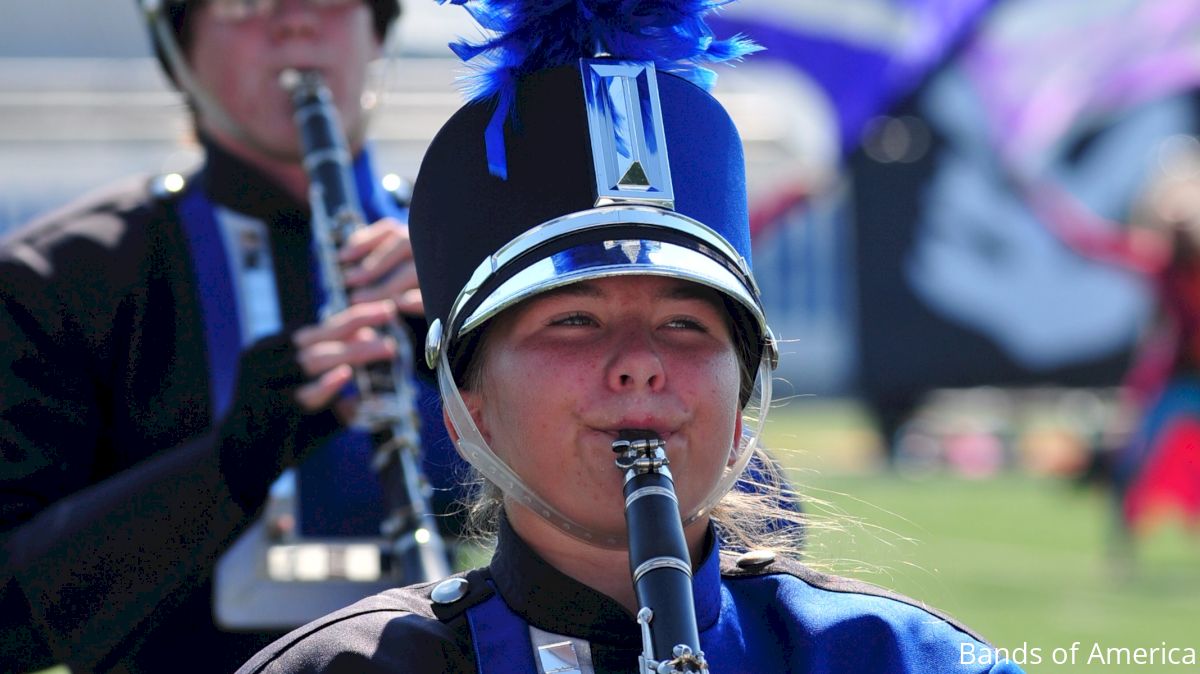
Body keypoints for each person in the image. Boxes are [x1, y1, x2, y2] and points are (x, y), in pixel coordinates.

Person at [235, 1, 1028, 672]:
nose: (642, 364)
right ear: (465, 408)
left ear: (746, 387)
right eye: (573, 320)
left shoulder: (901, 656)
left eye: (686, 323)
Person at [0, 1, 459, 672]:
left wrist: (475, 354)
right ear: (176, 44)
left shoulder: (483, 256)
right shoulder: (60, 276)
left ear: (379, 28)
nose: (295, 23)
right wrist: (230, 463)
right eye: (246, 4)